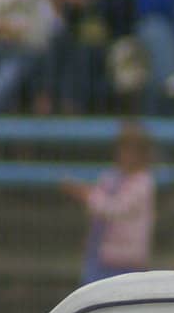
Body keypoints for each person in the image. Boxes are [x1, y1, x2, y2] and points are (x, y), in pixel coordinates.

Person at [62, 120, 157, 284]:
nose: (126, 155)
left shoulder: (143, 183)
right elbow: (98, 206)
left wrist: (85, 195)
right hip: (102, 255)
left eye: (132, 151)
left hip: (128, 259)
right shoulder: (110, 177)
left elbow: (116, 209)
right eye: (123, 149)